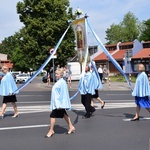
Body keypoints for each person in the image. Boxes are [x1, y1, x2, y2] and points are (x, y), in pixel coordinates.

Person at [45, 68, 75, 138]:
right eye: (56, 74)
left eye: (57, 74)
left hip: (58, 104)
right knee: (64, 114)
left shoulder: (62, 82)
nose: (56, 75)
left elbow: (63, 94)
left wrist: (61, 104)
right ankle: (71, 127)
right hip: (56, 103)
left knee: (52, 116)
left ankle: (51, 130)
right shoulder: (59, 81)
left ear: (61, 75)